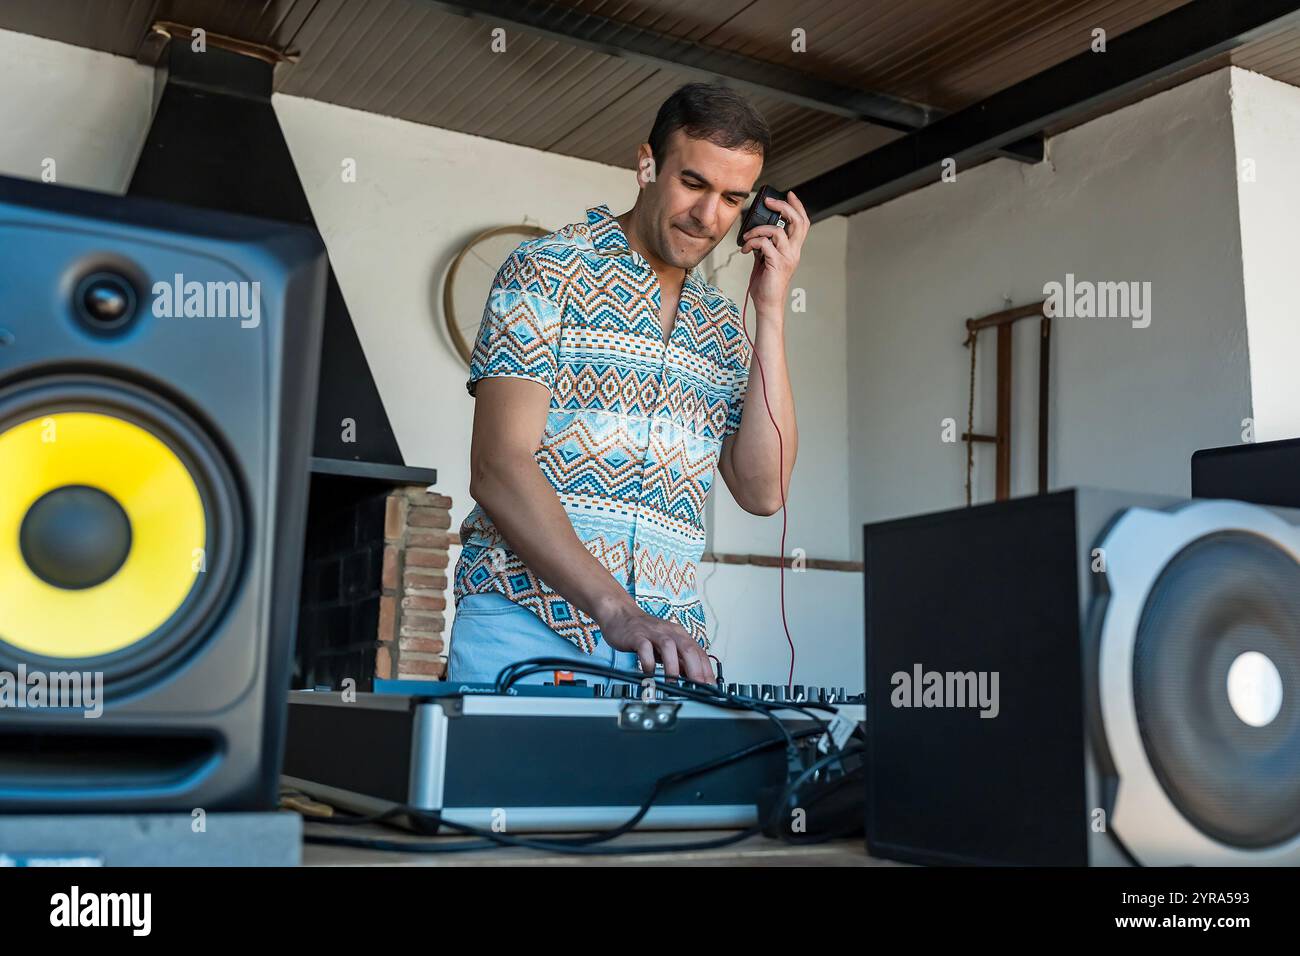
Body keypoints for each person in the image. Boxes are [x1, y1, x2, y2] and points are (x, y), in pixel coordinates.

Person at [448, 82, 807, 691]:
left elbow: (764, 489)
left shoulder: (720, 326)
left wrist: (770, 310)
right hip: (526, 629)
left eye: (732, 199)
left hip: (662, 653)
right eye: (693, 184)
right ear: (647, 164)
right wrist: (619, 611)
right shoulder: (546, 271)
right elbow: (499, 465)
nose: (708, 216)